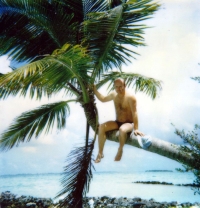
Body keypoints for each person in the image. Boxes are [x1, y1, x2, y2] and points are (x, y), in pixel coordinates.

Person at [93, 78, 144, 163]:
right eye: (116, 87)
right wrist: (94, 89)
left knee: (122, 130)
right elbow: (103, 99)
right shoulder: (114, 95)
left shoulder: (130, 97)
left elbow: (134, 113)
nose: (118, 89)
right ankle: (100, 153)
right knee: (101, 127)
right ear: (114, 87)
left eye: (120, 87)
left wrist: (136, 128)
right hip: (117, 122)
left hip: (128, 123)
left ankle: (120, 150)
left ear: (125, 86)